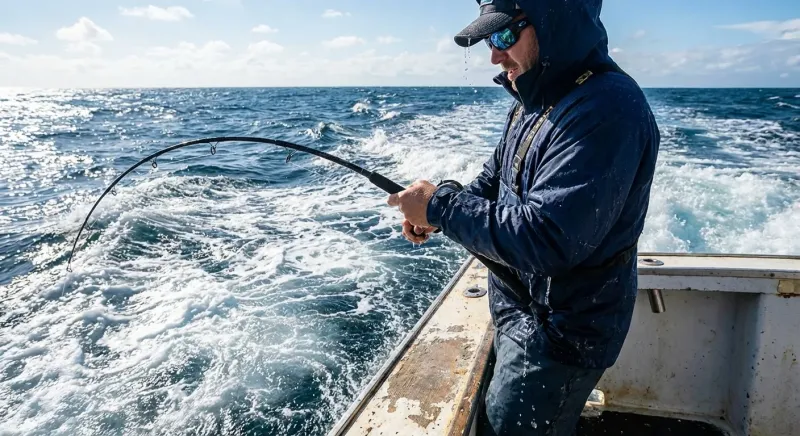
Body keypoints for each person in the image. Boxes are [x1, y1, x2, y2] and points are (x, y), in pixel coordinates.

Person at [387, 0, 660, 434]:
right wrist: (437, 211)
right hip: (522, 307)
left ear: (555, 23)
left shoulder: (607, 109)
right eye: (489, 41)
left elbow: (550, 239)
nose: (493, 56)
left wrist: (441, 206)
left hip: (562, 334)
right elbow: (494, 181)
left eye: (503, 36)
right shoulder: (533, 99)